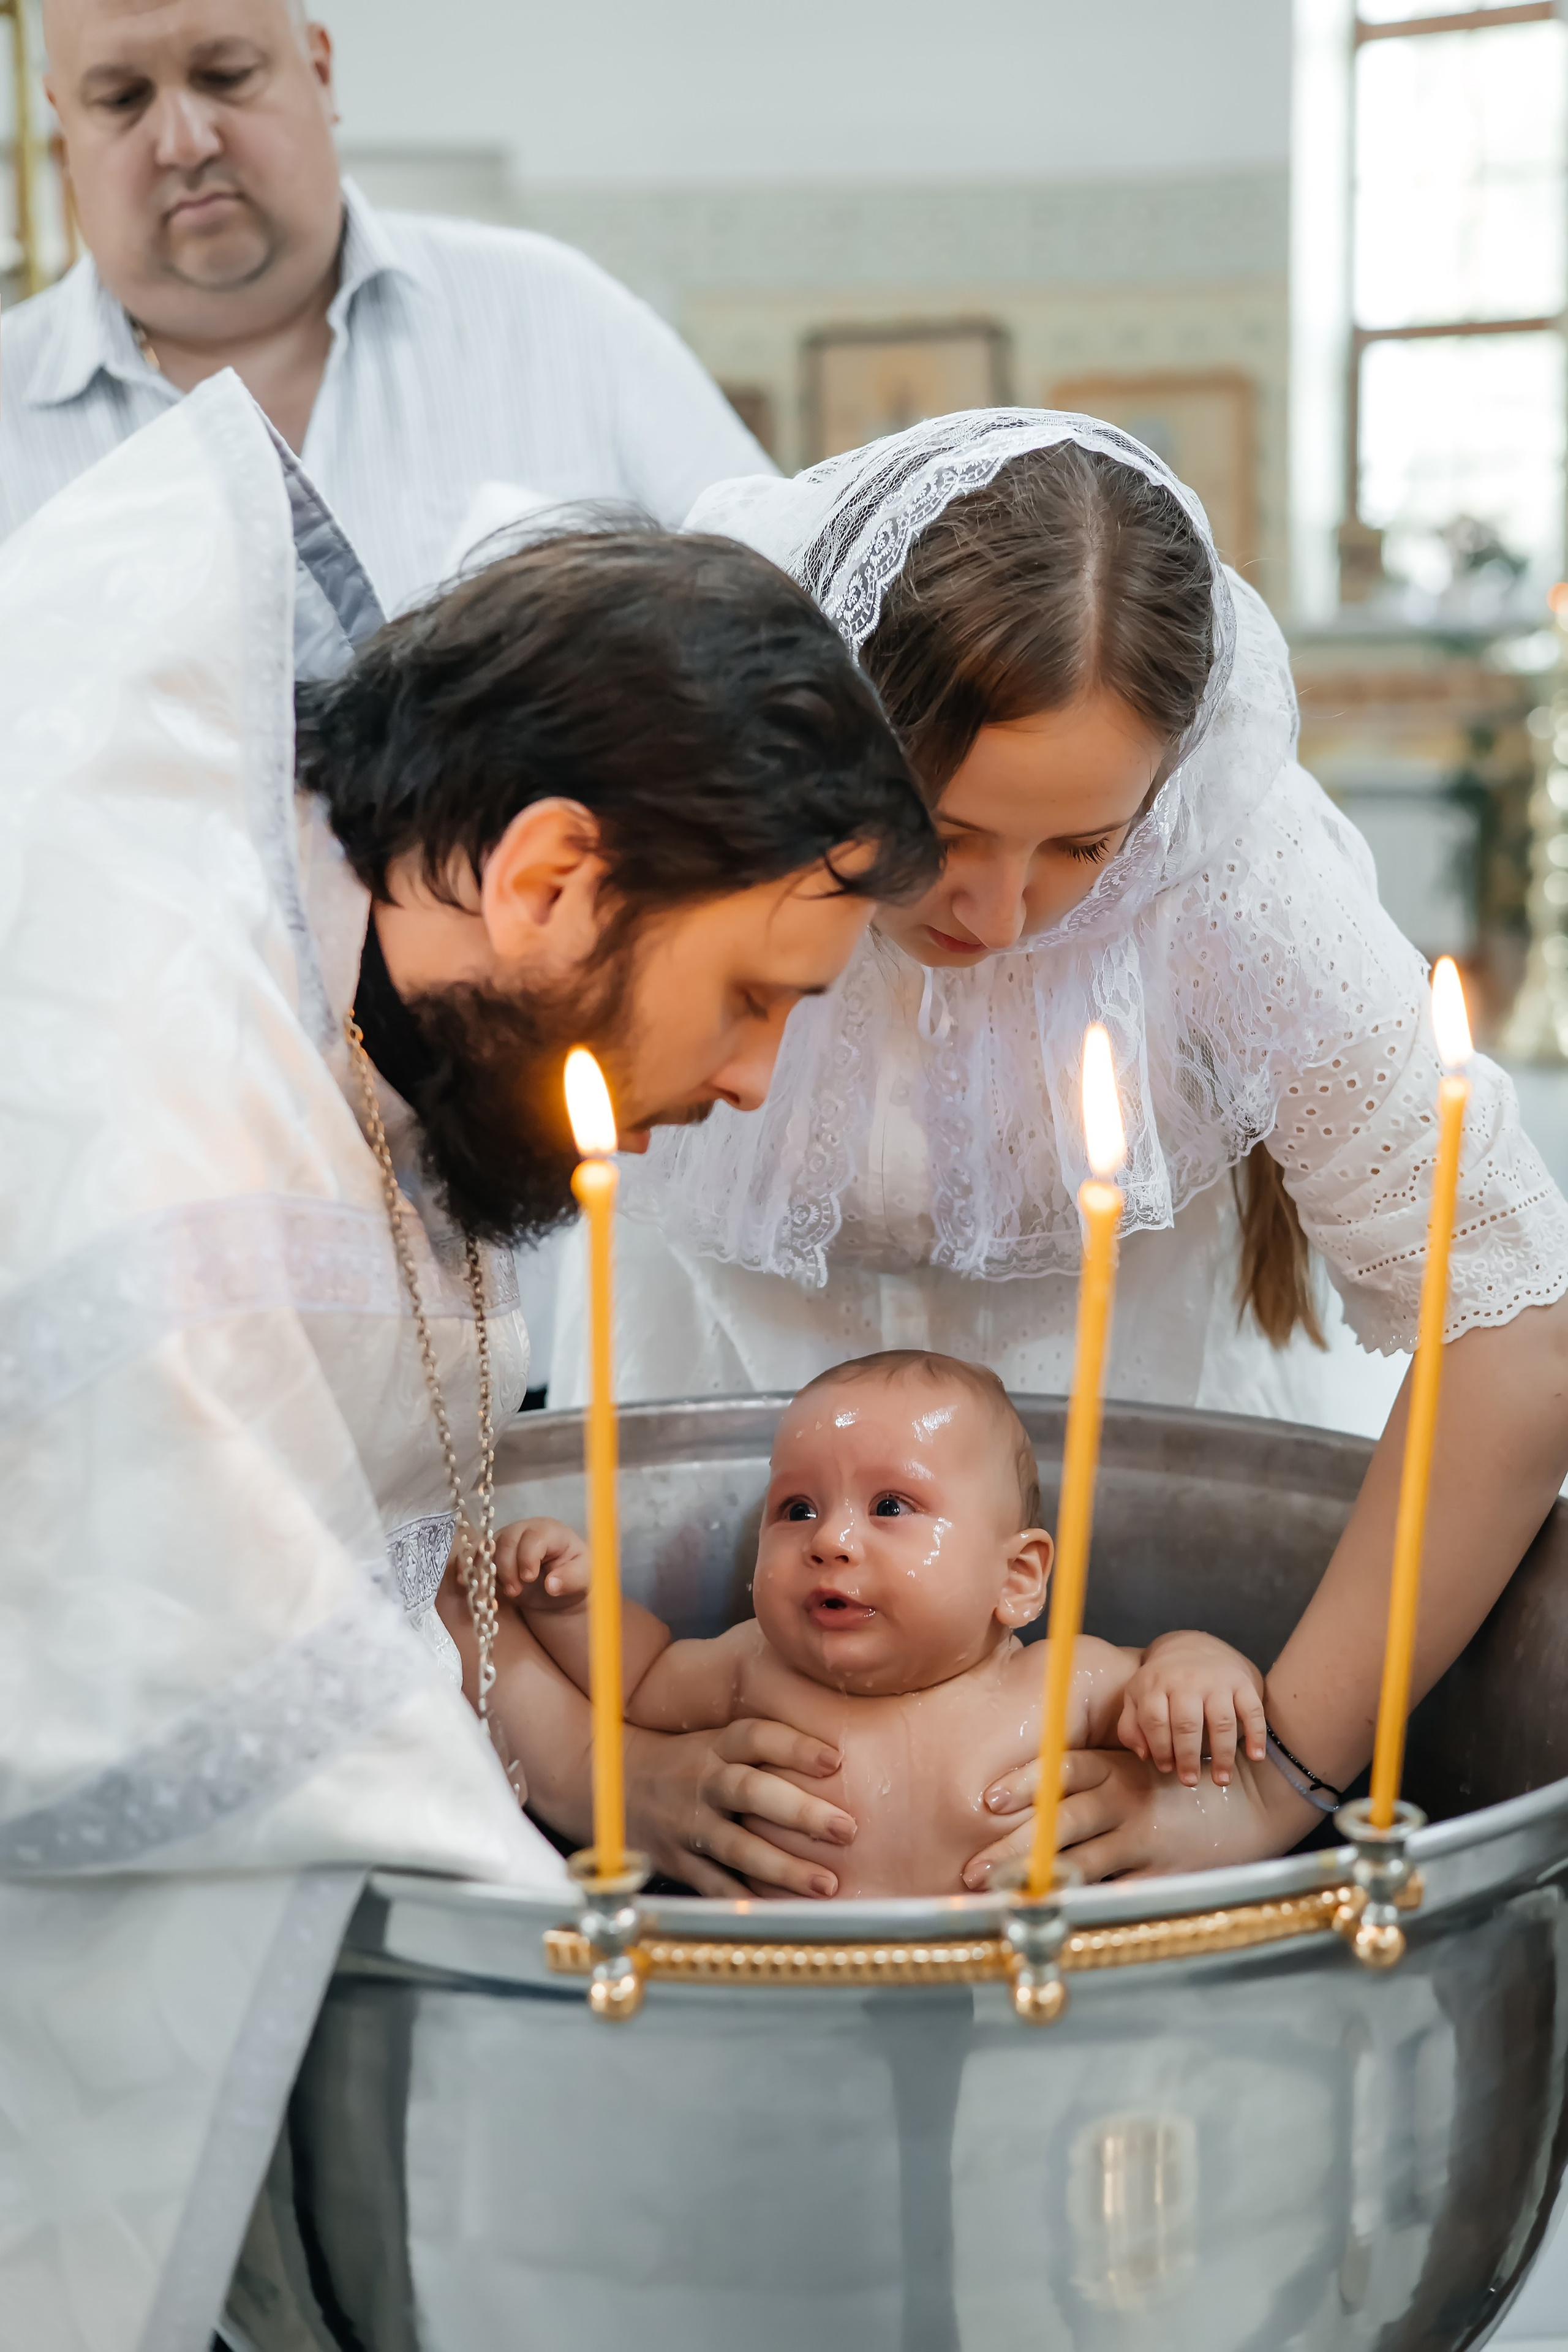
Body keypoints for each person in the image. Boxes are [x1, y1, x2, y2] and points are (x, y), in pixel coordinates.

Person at [0, 373, 935, 2350]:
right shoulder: (165, 1101)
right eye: (752, 997)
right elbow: (215, 1647)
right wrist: (673, 2025)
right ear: (541, 880)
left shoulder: (360, 991)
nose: (759, 1077)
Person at [554, 409, 1568, 1885]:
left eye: (1079, 846)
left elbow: (1514, 1325)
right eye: (938, 827)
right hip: (731, 1597)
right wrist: (620, 1772)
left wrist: (1281, 1768)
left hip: (1158, 1644)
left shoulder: (1234, 875)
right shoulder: (688, 817)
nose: (998, 910)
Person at [1, 0, 769, 610]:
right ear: (65, 126)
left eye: (226, 75)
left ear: (321, 72)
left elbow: (799, 621)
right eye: (123, 99)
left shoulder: (561, 319)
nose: (185, 139)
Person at [459, 1349, 1270, 1898]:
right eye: (797, 1508)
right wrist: (571, 1600)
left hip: (1021, 2006)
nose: (830, 1541)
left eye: (891, 1506)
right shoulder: (756, 1668)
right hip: (792, 2011)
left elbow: (1170, 1680)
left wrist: (1195, 1665)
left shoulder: (1061, 1684)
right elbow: (636, 1683)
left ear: (1017, 1577)